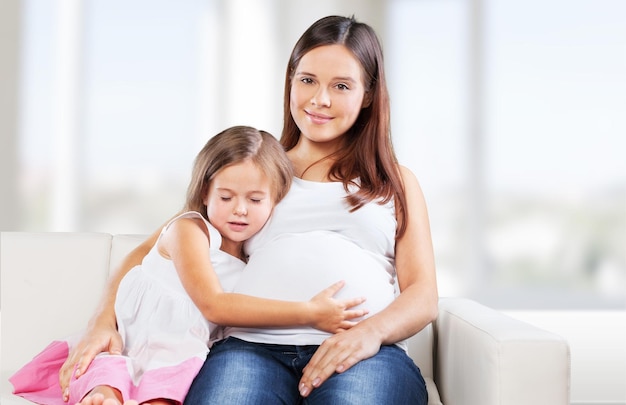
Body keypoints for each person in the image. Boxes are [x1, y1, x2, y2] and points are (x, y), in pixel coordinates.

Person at [60, 15, 439, 404]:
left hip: (363, 353)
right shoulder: (256, 169)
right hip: (249, 349)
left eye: (341, 86)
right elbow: (153, 248)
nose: (319, 99)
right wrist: (102, 322)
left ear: (369, 94)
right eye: (307, 80)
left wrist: (369, 333)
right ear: (290, 81)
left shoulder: (394, 181)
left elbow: (423, 294)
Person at [10, 126, 369, 405]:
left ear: (276, 200)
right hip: (130, 345)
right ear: (205, 194)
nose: (240, 209)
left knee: (165, 395)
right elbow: (213, 304)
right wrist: (309, 313)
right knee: (105, 391)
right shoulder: (190, 230)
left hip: (179, 360)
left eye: (255, 199)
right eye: (226, 197)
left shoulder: (253, 261)